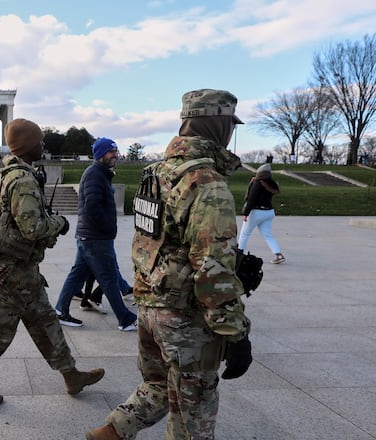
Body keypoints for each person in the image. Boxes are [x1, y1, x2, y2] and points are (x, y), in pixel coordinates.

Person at [87, 89, 253, 440]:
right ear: (218, 125)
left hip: (149, 305)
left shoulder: (155, 172)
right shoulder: (206, 182)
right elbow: (214, 268)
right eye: (229, 124)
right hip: (184, 317)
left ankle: (112, 432)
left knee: (159, 385)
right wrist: (234, 333)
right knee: (194, 413)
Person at [0, 118, 104, 406]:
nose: (43, 145)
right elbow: (32, 228)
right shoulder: (23, 180)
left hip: (23, 270)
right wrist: (60, 223)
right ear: (27, 146)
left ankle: (70, 374)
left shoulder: (6, 175)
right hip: (14, 272)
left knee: (46, 322)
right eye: (39, 141)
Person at [54, 137, 137, 331]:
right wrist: (107, 228)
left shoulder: (100, 173)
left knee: (77, 275)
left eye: (116, 151)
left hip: (89, 236)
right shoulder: (94, 174)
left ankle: (60, 310)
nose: (115, 155)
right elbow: (92, 206)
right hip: (96, 237)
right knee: (109, 278)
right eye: (111, 151)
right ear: (100, 154)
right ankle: (125, 320)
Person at [238, 163, 285, 263]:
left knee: (244, 234)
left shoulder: (258, 183)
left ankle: (238, 255)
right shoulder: (272, 184)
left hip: (256, 212)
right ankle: (278, 255)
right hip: (269, 212)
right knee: (268, 235)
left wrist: (246, 213)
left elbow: (251, 199)